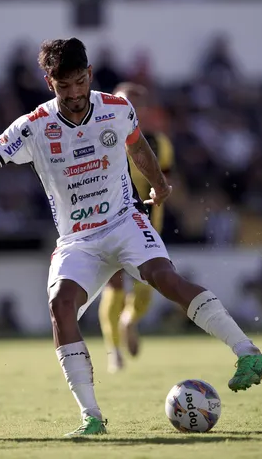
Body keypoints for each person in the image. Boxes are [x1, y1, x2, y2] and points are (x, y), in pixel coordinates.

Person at [0, 38, 262, 437]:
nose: (73, 93)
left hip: (124, 222)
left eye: (78, 82)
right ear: (48, 82)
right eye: (62, 86)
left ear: (89, 75)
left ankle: (248, 353)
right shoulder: (33, 125)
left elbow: (138, 147)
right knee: (60, 306)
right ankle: (91, 417)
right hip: (77, 241)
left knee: (166, 279)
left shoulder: (117, 108)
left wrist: (160, 185)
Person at [97, 82, 174, 373]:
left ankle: (129, 320)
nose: (130, 109)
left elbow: (165, 180)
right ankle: (113, 351)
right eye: (124, 102)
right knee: (114, 286)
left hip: (147, 226)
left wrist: (163, 189)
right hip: (108, 224)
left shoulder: (159, 143)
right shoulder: (99, 137)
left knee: (150, 283)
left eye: (136, 104)